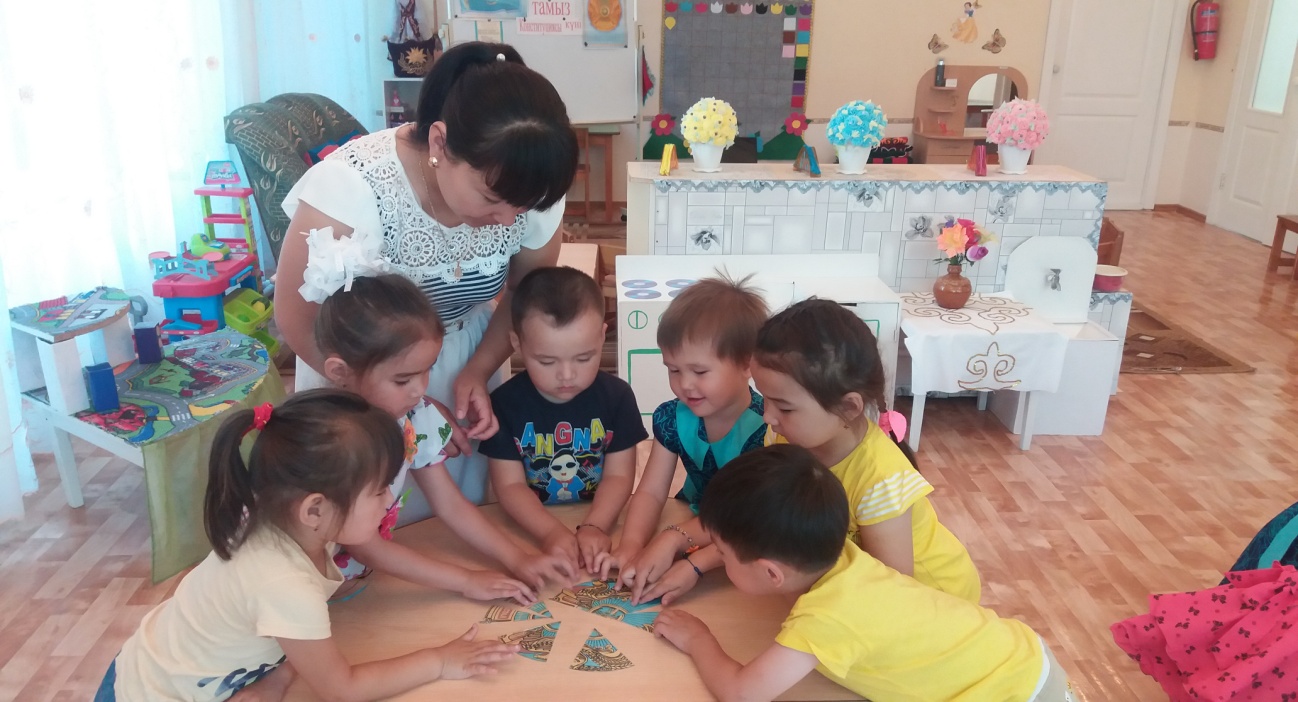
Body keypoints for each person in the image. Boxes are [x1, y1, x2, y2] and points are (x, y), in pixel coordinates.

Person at [275, 41, 579, 517]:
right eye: (492, 199)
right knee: (366, 517)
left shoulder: (527, 187)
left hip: (468, 355)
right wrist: (400, 402)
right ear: (439, 143)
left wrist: (477, 371)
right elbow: (297, 319)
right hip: (359, 377)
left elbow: (525, 293)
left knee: (458, 514)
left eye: (523, 207)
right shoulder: (353, 187)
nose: (508, 220)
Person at [97, 390, 518, 702]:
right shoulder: (283, 581)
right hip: (148, 691)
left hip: (157, 664)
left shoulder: (288, 519)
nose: (390, 500)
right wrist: (440, 660)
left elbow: (287, 625)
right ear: (315, 509)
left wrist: (279, 677)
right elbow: (341, 688)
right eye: (378, 491)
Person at [654, 445, 1074, 702]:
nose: (717, 558)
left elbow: (741, 693)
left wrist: (698, 638)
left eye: (723, 553)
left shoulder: (827, 618)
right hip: (1018, 654)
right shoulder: (843, 557)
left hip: (1015, 691)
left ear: (772, 573)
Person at [313, 272, 571, 598]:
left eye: (428, 371)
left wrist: (517, 558)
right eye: (403, 380)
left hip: (358, 579)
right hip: (311, 584)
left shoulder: (414, 416)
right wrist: (466, 580)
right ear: (340, 372)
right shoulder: (332, 440)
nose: (420, 390)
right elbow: (366, 546)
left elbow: (450, 504)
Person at [753, 299, 982, 603]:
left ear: (848, 408)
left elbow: (892, 589)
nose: (767, 416)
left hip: (933, 599)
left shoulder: (880, 480)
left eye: (784, 407)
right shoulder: (783, 436)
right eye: (765, 398)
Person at [596, 275, 769, 605]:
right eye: (673, 370)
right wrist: (631, 545)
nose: (685, 384)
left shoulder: (767, 430)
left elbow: (749, 521)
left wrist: (675, 542)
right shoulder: (671, 416)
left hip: (742, 540)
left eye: (699, 372)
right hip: (689, 520)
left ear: (747, 363)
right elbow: (651, 491)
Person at [480, 267, 647, 576]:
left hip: (601, 516)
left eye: (583, 358)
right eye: (547, 361)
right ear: (517, 343)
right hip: (529, 525)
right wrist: (550, 533)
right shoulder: (504, 404)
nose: (567, 375)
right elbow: (510, 486)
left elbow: (619, 476)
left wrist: (596, 525)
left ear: (602, 336)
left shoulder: (618, 397)